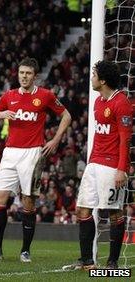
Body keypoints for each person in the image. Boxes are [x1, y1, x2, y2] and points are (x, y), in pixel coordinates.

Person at [0, 57, 71, 262]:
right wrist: (2, 114)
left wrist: (55, 140)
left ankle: (25, 250)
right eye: (21, 73)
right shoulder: (9, 96)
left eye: (28, 73)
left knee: (28, 202)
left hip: (32, 153)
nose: (24, 77)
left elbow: (66, 116)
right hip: (9, 153)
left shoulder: (45, 96)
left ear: (35, 76)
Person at [63, 60, 132, 270]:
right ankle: (87, 262)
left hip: (112, 167)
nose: (91, 78)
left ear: (103, 80)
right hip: (95, 164)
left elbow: (125, 140)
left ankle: (112, 263)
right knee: (82, 210)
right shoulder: (98, 102)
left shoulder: (121, 103)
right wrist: (91, 161)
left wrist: (121, 168)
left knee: (113, 213)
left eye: (94, 74)